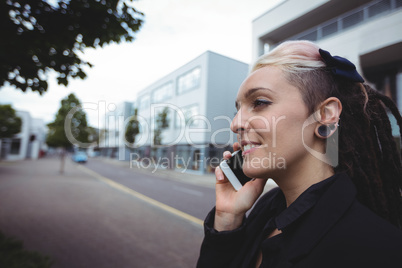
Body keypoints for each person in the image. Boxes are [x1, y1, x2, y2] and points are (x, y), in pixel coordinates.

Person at [197, 40, 402, 268]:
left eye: (260, 102)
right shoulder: (264, 211)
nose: (236, 124)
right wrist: (228, 219)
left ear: (325, 114)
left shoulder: (376, 249)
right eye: (238, 109)